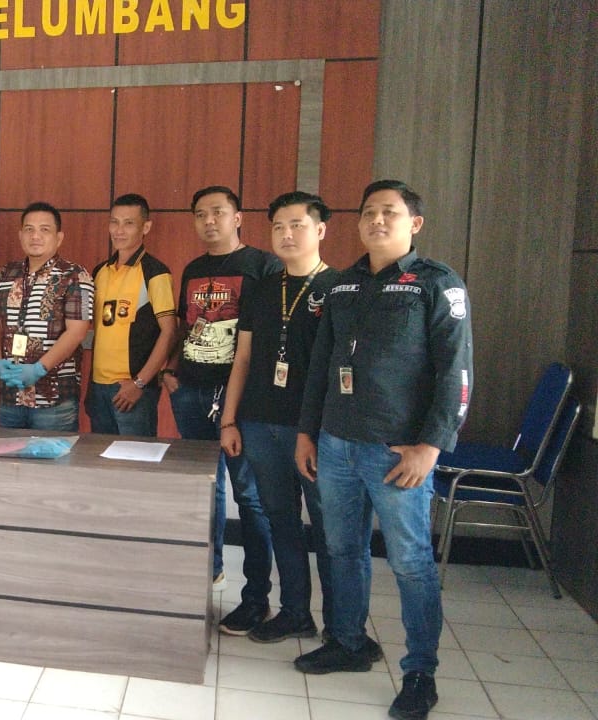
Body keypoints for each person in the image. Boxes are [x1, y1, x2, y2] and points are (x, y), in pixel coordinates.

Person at [294, 180, 472, 720]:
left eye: (389, 213)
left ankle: (420, 673)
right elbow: (321, 366)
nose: (376, 220)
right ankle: (348, 642)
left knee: (411, 562)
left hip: (398, 453)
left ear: (413, 223)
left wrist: (431, 447)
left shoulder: (436, 283)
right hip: (336, 444)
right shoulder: (341, 285)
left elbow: (456, 373)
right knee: (342, 549)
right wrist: (307, 432)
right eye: (368, 212)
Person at [217, 191, 346, 644]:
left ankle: (341, 625)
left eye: (297, 225)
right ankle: (295, 613)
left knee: (329, 529)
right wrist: (229, 420)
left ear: (320, 230)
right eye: (278, 226)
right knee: (281, 519)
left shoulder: (340, 288)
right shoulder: (264, 286)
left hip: (315, 430)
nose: (286, 234)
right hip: (259, 422)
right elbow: (243, 357)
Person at [163, 185, 278, 633]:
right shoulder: (194, 269)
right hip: (191, 393)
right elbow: (186, 326)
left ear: (237, 217)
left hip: (239, 400)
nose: (208, 221)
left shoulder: (263, 266)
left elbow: (263, 340)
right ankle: (207, 574)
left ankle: (256, 598)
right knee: (202, 489)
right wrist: (172, 372)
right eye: (200, 214)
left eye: (218, 212)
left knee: (249, 496)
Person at [0, 201, 94, 431]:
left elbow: (78, 331)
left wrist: (39, 369)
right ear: (20, 235)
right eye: (29, 229)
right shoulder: (6, 273)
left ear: (59, 237)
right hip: (11, 396)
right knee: (9, 453)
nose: (35, 236)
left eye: (44, 230)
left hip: (54, 400)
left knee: (53, 455)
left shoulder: (77, 275)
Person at [86, 193, 176, 436]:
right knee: (99, 456)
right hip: (98, 388)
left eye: (128, 223)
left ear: (145, 227)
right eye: (114, 222)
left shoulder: (155, 272)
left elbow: (169, 332)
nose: (119, 230)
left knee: (134, 457)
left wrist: (139, 383)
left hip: (133, 389)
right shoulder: (99, 272)